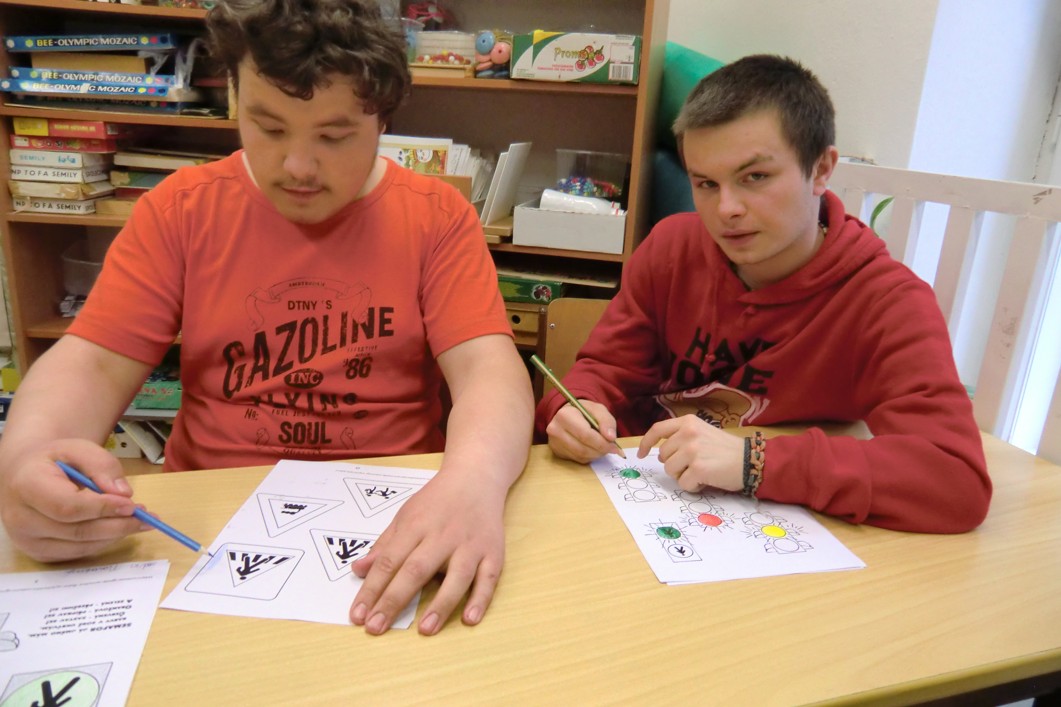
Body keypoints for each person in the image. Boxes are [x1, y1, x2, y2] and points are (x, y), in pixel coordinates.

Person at [0, 0, 533, 636]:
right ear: (234, 97)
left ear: (383, 118)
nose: (297, 167)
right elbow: (90, 362)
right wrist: (25, 459)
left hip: (392, 520)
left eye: (334, 137)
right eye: (268, 127)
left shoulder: (436, 217)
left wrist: (474, 480)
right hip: (210, 527)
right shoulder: (181, 211)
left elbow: (488, 371)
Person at [536, 54, 991, 534]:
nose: (726, 209)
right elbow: (605, 370)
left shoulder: (888, 302)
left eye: (755, 177)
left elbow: (954, 479)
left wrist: (754, 461)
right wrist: (574, 406)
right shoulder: (671, 247)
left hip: (769, 530)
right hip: (636, 500)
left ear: (821, 169)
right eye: (705, 183)